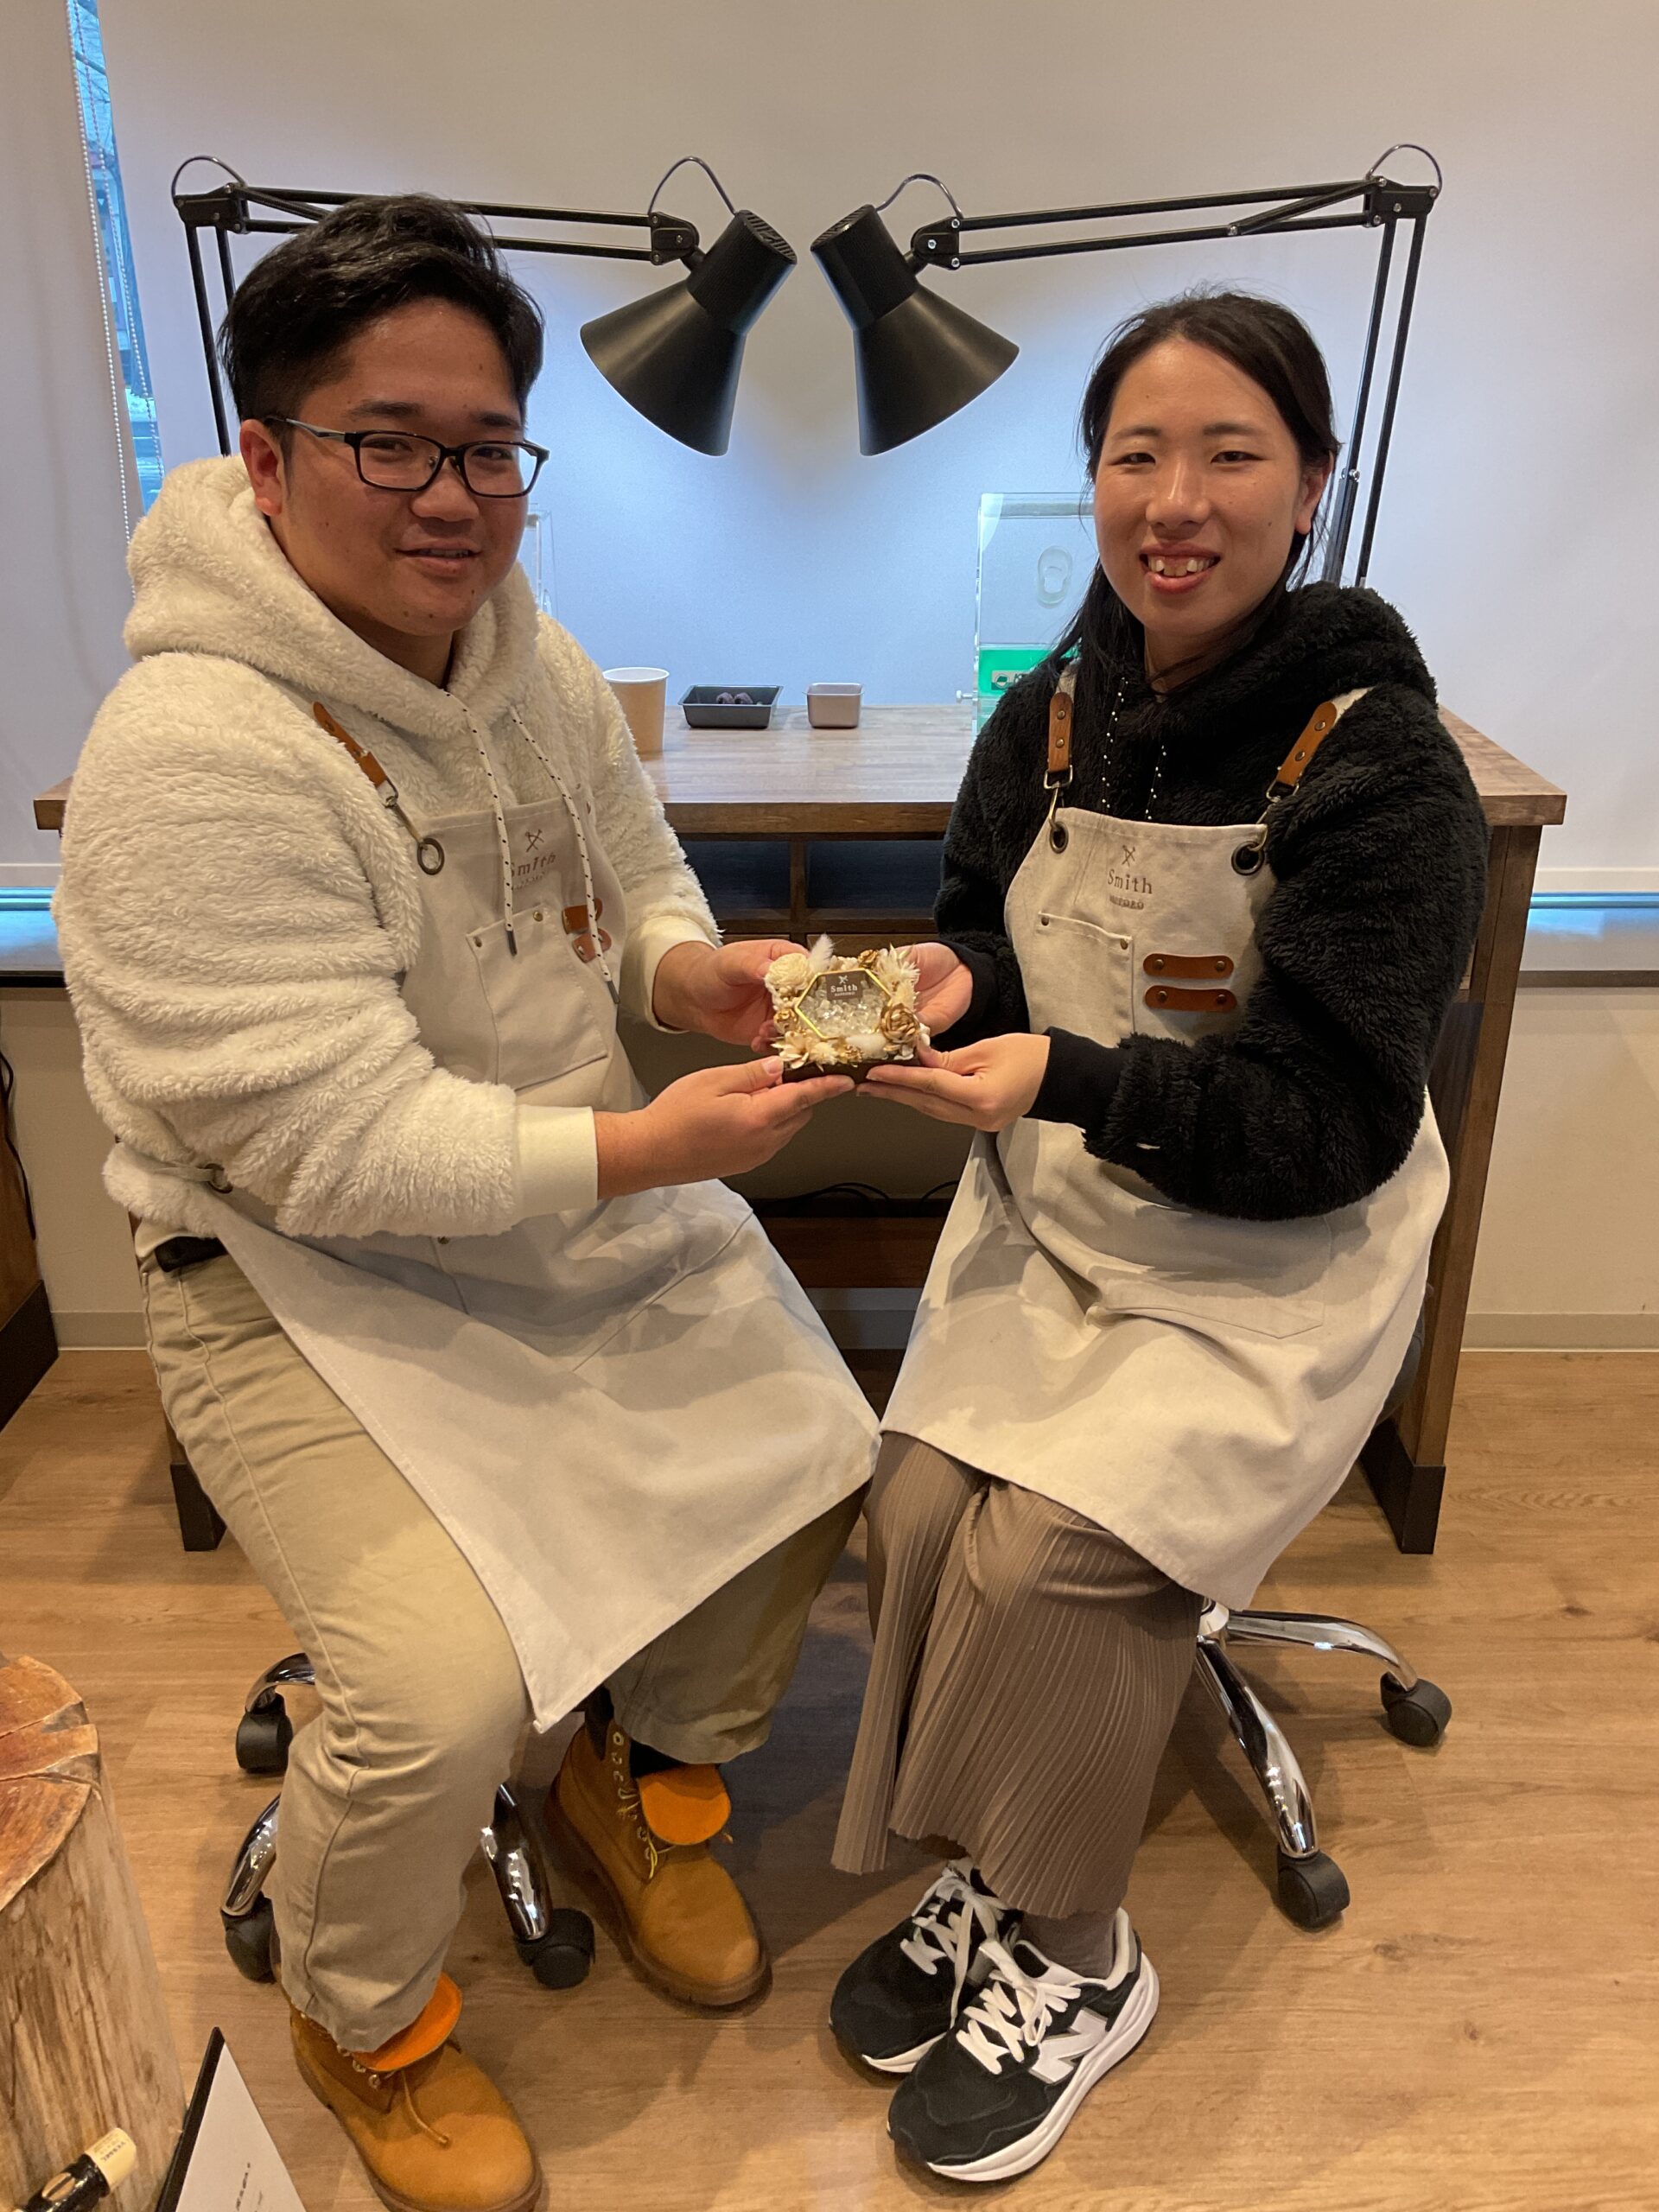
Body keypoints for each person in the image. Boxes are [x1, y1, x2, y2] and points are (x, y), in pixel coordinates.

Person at [55, 195, 876, 2212]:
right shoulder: (191, 752)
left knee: (812, 1438)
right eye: (390, 442)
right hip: (287, 1267)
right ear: (267, 460)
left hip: (561, 1186)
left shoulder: (528, 658)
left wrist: (708, 980)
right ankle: (365, 2008)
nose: (451, 494)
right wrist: (651, 1145)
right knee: (435, 1686)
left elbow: (633, 882)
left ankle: (645, 1773)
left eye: (489, 447)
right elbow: (329, 1147)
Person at [826, 290, 1489, 2183]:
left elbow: (1325, 1126)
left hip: (1280, 1251)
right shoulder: (1046, 715)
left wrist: (1057, 1071)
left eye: (1229, 455)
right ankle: (991, 1864)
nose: (1173, 501)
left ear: (1314, 486)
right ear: (1093, 481)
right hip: (1069, 1208)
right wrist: (951, 985)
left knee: (1050, 1555)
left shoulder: (1381, 764)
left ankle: (1078, 1952)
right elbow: (989, 922)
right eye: (1136, 455)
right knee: (917, 1505)